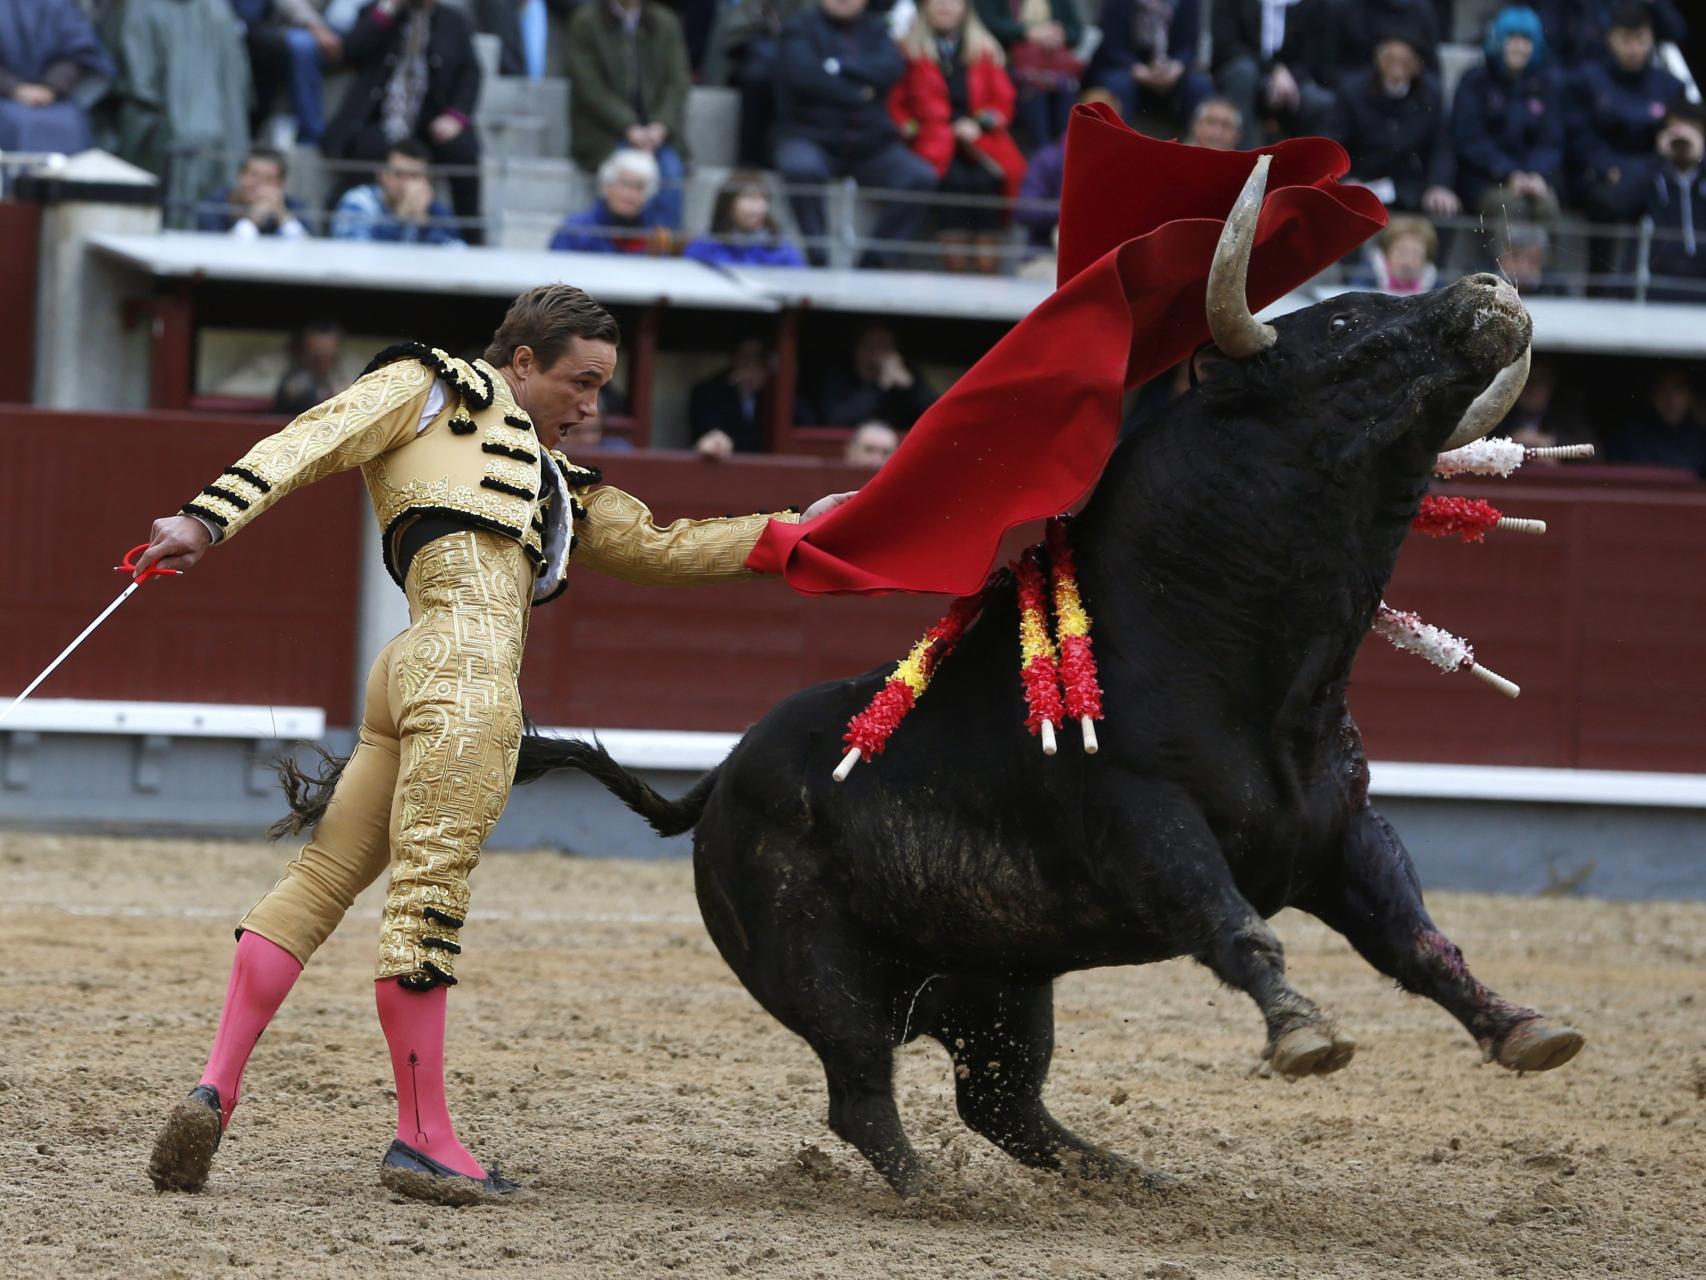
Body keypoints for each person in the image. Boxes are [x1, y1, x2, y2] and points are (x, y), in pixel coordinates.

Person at [139, 284, 848, 1203]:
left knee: (320, 879)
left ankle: (214, 1090)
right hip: (468, 671)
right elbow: (309, 438)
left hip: (408, 663)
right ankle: (422, 1138)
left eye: (603, 387)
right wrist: (207, 517)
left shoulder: (552, 478)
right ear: (521, 362)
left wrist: (798, 529)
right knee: (427, 900)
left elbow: (663, 545)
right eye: (581, 383)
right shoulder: (425, 385)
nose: (593, 407)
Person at [772, 0, 940, 268]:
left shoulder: (876, 29)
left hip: (869, 143)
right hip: (810, 136)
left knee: (920, 177)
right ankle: (819, 256)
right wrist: (860, 92)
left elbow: (891, 68)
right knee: (801, 168)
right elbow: (802, 77)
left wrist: (837, 67)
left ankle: (875, 262)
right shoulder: (800, 27)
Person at [321, 0, 485, 245]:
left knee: (463, 149)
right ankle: (334, 226)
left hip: (431, 121)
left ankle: (472, 239)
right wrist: (389, 7)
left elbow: (471, 73)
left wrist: (455, 116)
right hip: (379, 118)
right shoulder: (376, 12)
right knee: (368, 146)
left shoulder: (454, 20)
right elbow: (351, 50)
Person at [889, 0, 1026, 274]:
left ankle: (988, 269)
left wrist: (978, 124)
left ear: (965, 7)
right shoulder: (908, 51)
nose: (945, 6)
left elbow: (1003, 102)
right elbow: (896, 104)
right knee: (954, 180)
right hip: (932, 143)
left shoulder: (984, 50)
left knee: (986, 180)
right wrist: (914, 130)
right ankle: (957, 268)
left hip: (980, 141)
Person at [105, 0, 250, 217]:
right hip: (154, 113)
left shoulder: (217, 8)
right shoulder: (137, 7)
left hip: (222, 114)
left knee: (219, 140)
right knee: (185, 137)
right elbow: (135, 80)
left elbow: (236, 78)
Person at [565, 0, 692, 230]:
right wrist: (629, 127)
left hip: (659, 136)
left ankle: (663, 249)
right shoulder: (586, 21)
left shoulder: (666, 22)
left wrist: (660, 126)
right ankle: (621, 247)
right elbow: (590, 88)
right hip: (605, 133)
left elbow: (678, 84)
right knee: (627, 174)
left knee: (671, 171)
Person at [1565, 2, 1685, 225]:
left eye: (1640, 40)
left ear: (1651, 39)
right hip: (1602, 176)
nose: (1633, 49)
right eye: (1626, 40)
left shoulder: (1670, 86)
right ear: (1611, 38)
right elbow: (1579, 135)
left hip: (1651, 172)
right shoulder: (1587, 80)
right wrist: (1607, 166)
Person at [1451, 7, 1564, 222]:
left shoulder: (1544, 86)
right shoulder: (1474, 81)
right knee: (1512, 206)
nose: (1519, 47)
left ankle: (1539, 257)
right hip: (1484, 180)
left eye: (1527, 40)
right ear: (1498, 40)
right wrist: (1509, 172)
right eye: (1512, 38)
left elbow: (1551, 140)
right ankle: (1507, 258)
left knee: (1547, 205)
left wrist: (1535, 174)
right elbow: (1470, 139)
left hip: (1531, 180)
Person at [1332, 30, 1458, 218]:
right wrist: (1345, 179)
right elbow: (1334, 141)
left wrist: (1438, 184)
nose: (1397, 67)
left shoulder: (1430, 95)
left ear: (1417, 65)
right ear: (1378, 59)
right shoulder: (1353, 91)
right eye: (1390, 59)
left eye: (1405, 61)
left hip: (1410, 187)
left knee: (1444, 207)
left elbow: (1441, 146)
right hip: (1362, 180)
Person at [1209, 0, 1336, 148]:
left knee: (1321, 102)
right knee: (1243, 74)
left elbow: (1313, 56)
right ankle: (1245, 160)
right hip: (1244, 74)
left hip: (1290, 80)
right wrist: (1273, 69)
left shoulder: (1308, 5)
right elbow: (1226, 45)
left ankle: (1307, 165)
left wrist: (1289, 78)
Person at [703, 0, 814, 166]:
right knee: (756, 77)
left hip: (805, 63)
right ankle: (750, 165)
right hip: (759, 63)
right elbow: (734, 34)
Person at [1014, 85, 1118, 254]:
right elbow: (1026, 209)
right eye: (1094, 117)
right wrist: (1072, 212)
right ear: (1078, 118)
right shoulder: (1048, 159)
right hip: (1047, 254)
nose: (1102, 124)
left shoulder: (1122, 162)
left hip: (1105, 256)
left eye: (1110, 120)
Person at [0, 0, 113, 153]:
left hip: (55, 98)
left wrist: (51, 88)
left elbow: (78, 52)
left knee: (72, 125)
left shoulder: (59, 5)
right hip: (6, 97)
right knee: (20, 125)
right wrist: (15, 88)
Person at [1085, 0, 1212, 135]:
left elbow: (1190, 45)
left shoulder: (1187, 3)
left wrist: (1176, 67)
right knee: (1120, 84)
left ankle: (1196, 146)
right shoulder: (1116, 3)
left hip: (1172, 70)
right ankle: (1122, 143)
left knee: (1199, 84)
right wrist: (1137, 69)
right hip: (1126, 68)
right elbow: (1111, 45)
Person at [971, 0, 1083, 147]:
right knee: (1033, 90)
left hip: (1056, 68)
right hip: (1008, 64)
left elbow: (1075, 31)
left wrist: (1057, 34)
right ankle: (1041, 156)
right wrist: (1026, 32)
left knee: (1066, 90)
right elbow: (986, 24)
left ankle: (1064, 154)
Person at [233, 0, 342, 146]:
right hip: (282, 27)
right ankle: (310, 136)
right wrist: (316, 26)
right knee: (301, 46)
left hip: (345, 27)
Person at [330, 139, 464, 244]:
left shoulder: (435, 211)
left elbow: (457, 261)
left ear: (427, 180)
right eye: (398, 174)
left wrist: (424, 225)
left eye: (414, 176)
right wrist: (399, 222)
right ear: (382, 175)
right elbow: (358, 260)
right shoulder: (359, 202)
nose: (406, 183)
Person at [808, 322, 938, 429]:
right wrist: (879, 387)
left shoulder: (909, 378)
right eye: (872, 347)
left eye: (885, 347)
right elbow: (835, 420)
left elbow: (935, 417)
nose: (878, 354)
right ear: (858, 350)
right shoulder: (838, 377)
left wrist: (912, 387)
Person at [548, 147, 675, 253]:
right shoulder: (575, 230)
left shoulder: (656, 239)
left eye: (639, 187)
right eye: (625, 184)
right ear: (606, 186)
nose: (631, 194)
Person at [1645, 101, 1706, 301]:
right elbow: (1619, 203)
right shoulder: (1652, 176)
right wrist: (1659, 158)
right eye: (1675, 131)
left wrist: (1701, 158)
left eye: (1692, 131)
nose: (1682, 140)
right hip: (1659, 282)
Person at [682, 172, 808, 266]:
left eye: (763, 198)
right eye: (750, 198)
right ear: (729, 204)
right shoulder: (704, 247)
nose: (759, 207)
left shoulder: (781, 250)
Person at [1601, 366, 1706, 474]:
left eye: (1677, 389)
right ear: (1652, 396)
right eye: (1662, 389)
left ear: (1690, 396)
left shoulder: (1701, 441)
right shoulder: (1629, 439)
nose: (1669, 398)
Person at [195, 147, 312, 238]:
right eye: (253, 175)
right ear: (240, 176)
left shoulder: (293, 206)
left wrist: (283, 217)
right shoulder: (216, 203)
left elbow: (307, 255)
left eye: (269, 178)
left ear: (281, 184)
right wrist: (252, 221)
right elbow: (218, 255)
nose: (259, 184)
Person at [692, 337, 775, 456]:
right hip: (724, 466)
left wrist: (771, 384)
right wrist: (730, 386)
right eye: (745, 356)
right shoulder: (708, 391)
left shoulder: (774, 393)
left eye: (757, 357)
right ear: (733, 357)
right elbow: (705, 430)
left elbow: (805, 421)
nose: (750, 363)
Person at [1334, 0, 1440, 77]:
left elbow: (1431, 69)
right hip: (1360, 92)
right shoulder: (1349, 8)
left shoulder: (1421, 9)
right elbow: (1333, 66)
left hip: (1410, 92)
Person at [273, 320, 345, 414]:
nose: (323, 363)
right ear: (300, 353)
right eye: (317, 358)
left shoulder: (341, 380)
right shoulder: (294, 386)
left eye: (329, 357)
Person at [1356, 214, 1439, 294]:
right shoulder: (1367, 274)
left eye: (1415, 255)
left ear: (1426, 258)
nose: (1407, 262)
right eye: (1401, 253)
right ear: (1387, 252)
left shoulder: (1435, 283)